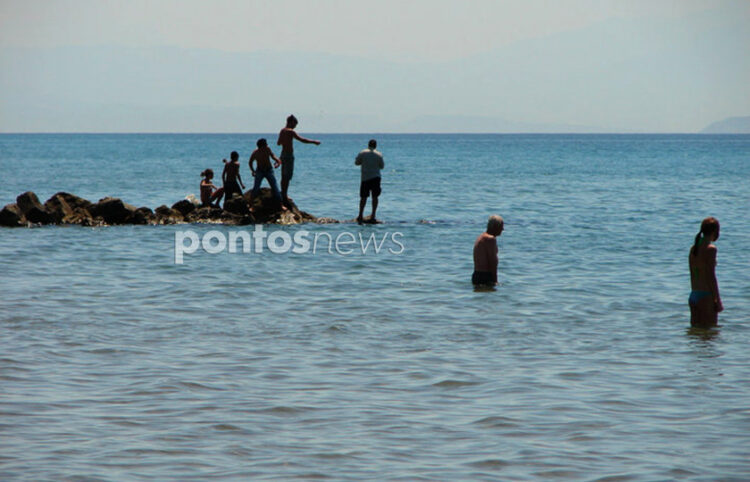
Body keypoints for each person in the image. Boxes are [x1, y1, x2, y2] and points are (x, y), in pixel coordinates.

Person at [277, 114, 320, 205]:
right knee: (287, 176)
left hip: (282, 154)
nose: (295, 126)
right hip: (288, 155)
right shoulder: (291, 131)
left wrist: (285, 141)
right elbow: (302, 140)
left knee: (283, 175)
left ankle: (283, 193)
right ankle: (284, 195)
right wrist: (313, 142)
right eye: (295, 124)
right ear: (291, 122)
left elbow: (278, 143)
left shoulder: (282, 131)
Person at [688, 217, 723, 328]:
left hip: (693, 296)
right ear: (714, 231)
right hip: (706, 296)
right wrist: (717, 300)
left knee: (696, 335)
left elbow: (692, 274)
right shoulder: (711, 249)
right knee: (709, 336)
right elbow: (711, 276)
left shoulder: (694, 248)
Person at [248, 138, 284, 210]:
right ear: (261, 146)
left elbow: (272, 155)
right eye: (265, 144)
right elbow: (250, 162)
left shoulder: (267, 149)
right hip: (260, 171)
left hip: (269, 170)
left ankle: (281, 205)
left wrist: (278, 161)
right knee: (256, 188)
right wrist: (253, 171)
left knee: (275, 187)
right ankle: (251, 205)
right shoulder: (255, 153)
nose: (267, 145)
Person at [355, 139, 384, 223]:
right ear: (375, 146)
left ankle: (360, 215)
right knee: (375, 197)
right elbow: (382, 166)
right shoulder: (379, 154)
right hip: (376, 177)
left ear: (368, 145)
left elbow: (357, 163)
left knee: (363, 197)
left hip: (365, 178)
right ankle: (373, 215)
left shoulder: (363, 152)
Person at [472, 215, 504, 287]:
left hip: (476, 275)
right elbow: (493, 261)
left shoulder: (481, 237)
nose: (503, 229)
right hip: (485, 276)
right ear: (496, 226)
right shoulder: (490, 239)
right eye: (501, 226)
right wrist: (495, 280)